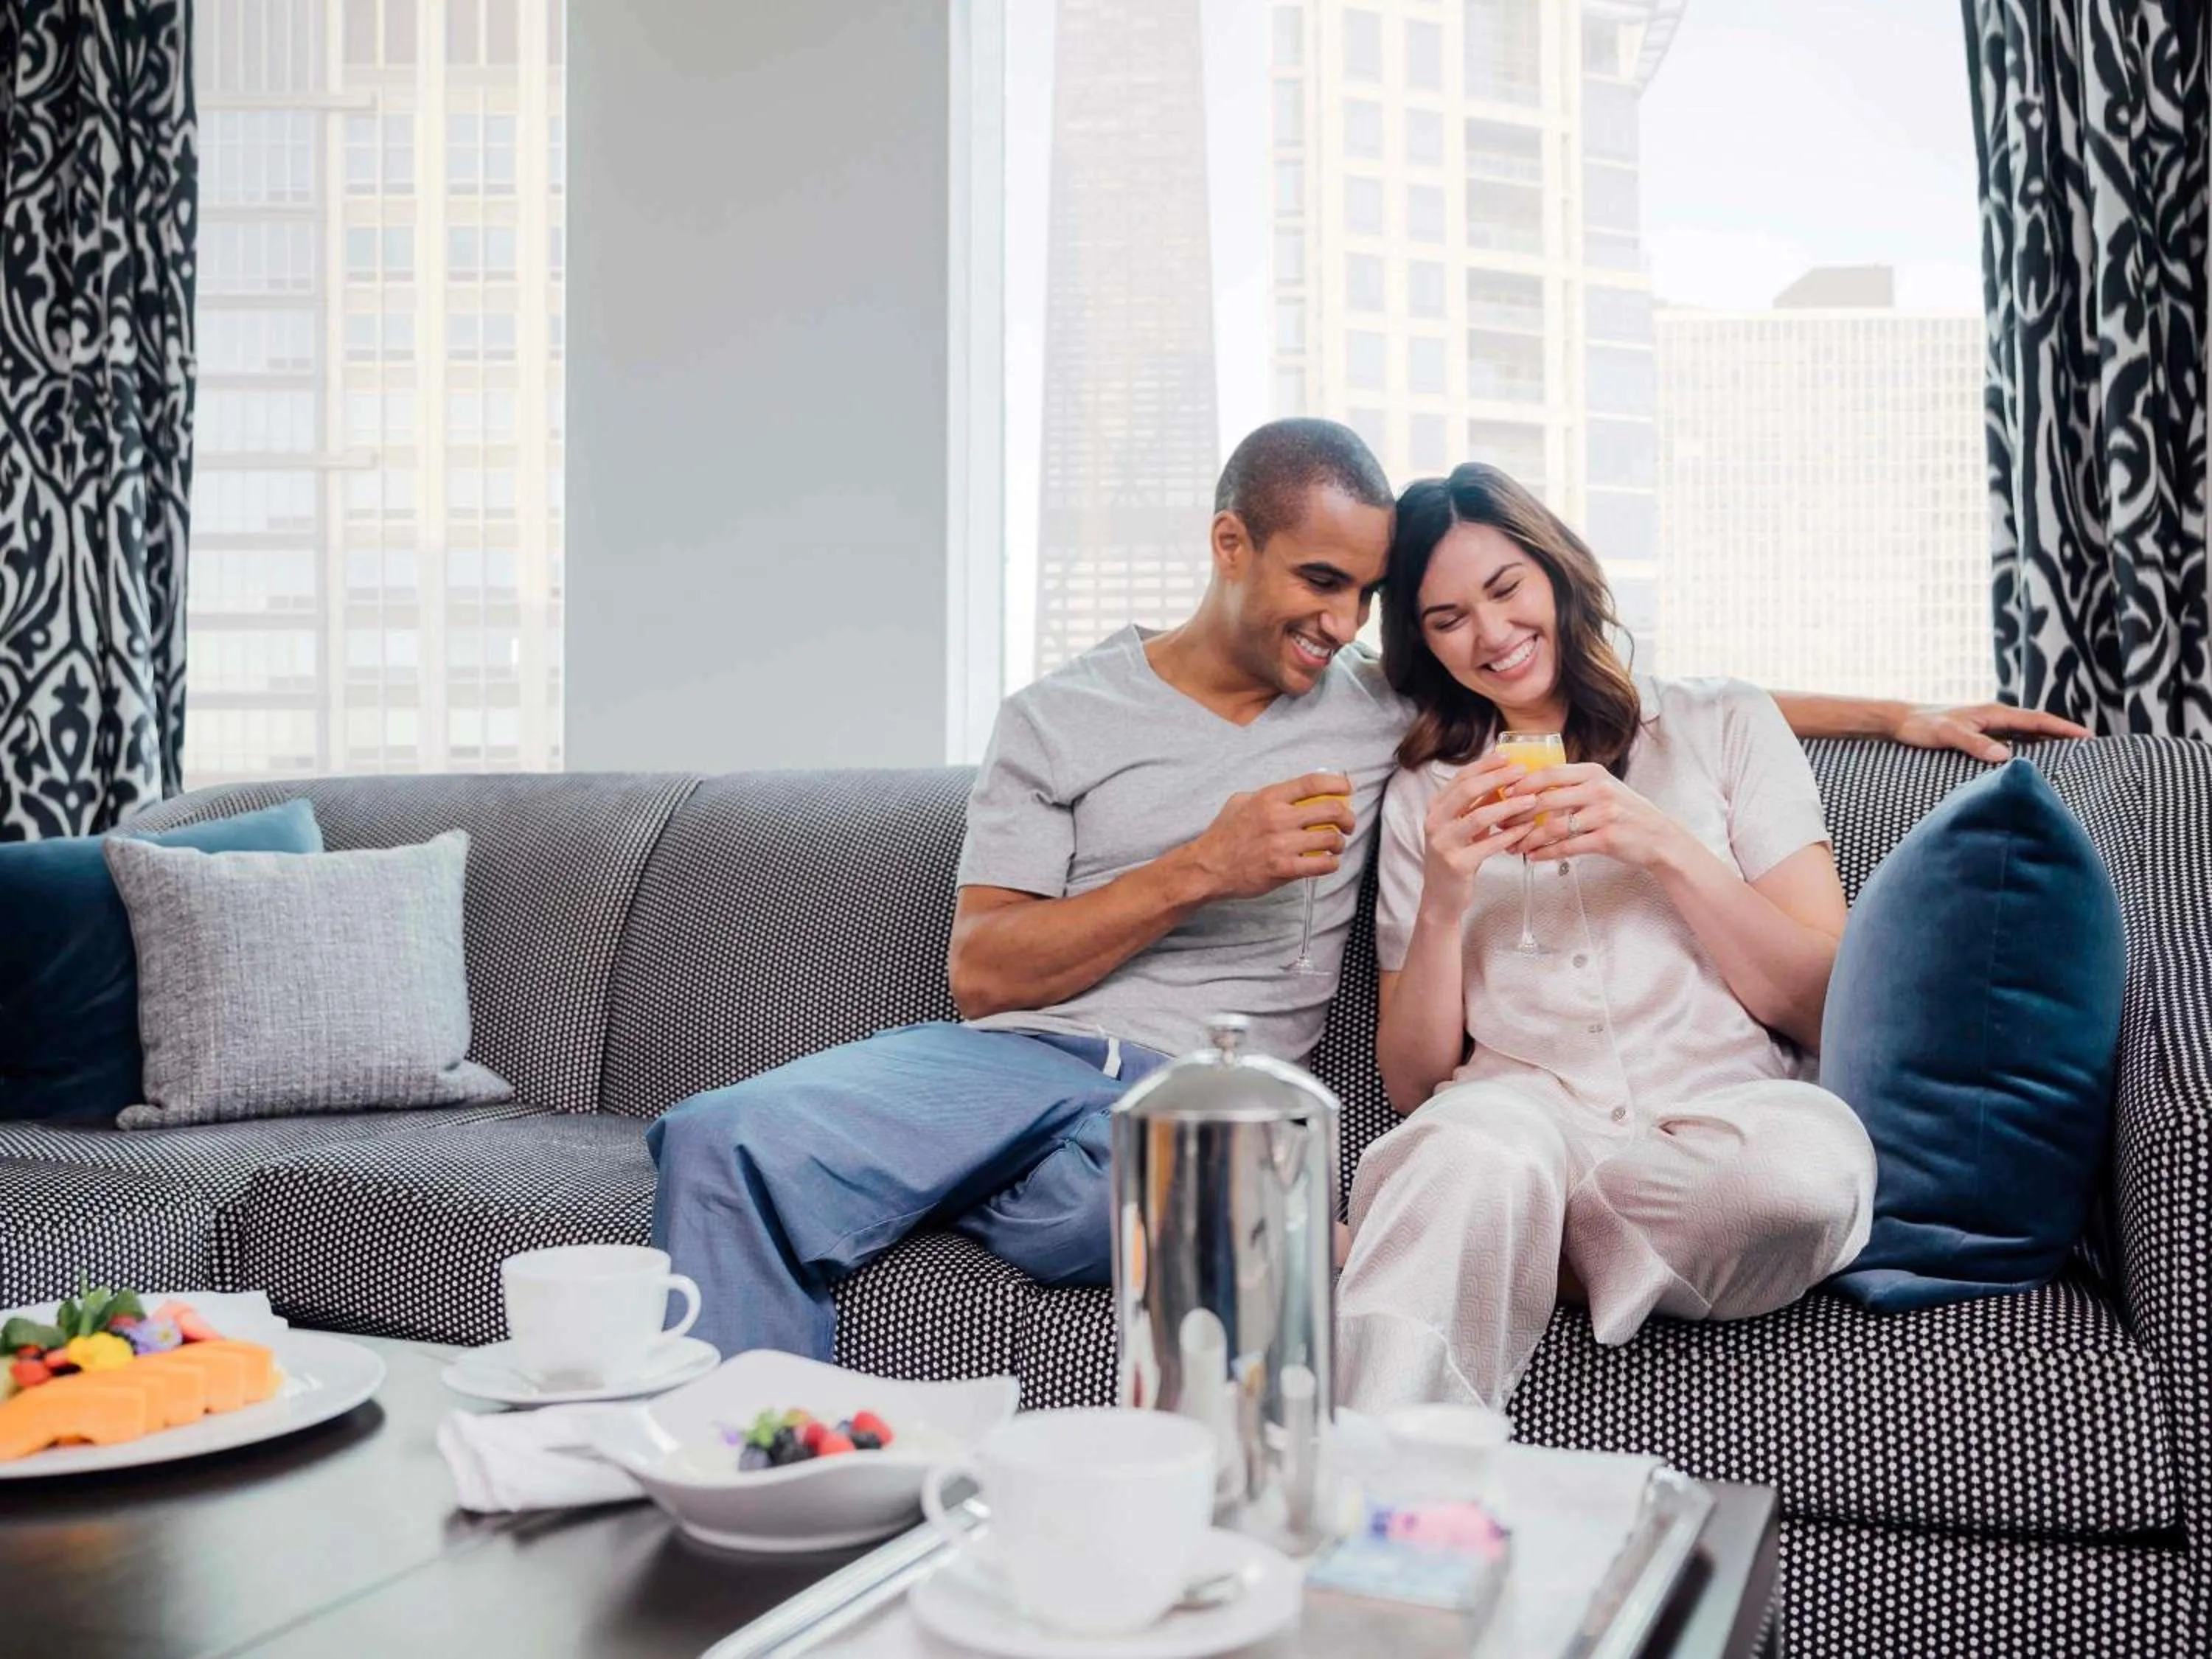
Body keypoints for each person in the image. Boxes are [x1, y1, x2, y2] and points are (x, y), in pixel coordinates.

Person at [651, 422, 2089, 1365]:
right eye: (1334, 590)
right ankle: (762, 1477)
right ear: (1232, 549)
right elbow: (983, 976)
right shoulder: (1061, 719)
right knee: (723, 1139)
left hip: (1221, 1096)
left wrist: (1889, 712)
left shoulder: (1375, 706)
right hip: (1020, 1061)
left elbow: (1604, 686)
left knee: (1199, 1209)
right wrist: (1201, 868)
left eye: (1367, 604)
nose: (1348, 630)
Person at [1339, 463, 1878, 1411]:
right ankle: (1374, 1505)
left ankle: (1478, 1246)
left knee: (1806, 1177)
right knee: (1470, 1150)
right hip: (1518, 1120)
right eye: (1449, 618)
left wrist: (1661, 845)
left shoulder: (1722, 722)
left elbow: (1825, 1009)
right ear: (1422, 643)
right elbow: (1415, 1083)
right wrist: (1445, 895)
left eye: (1507, 589)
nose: (1494, 635)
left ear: (1556, 571)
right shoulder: (1427, 793)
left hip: (1719, 1118)